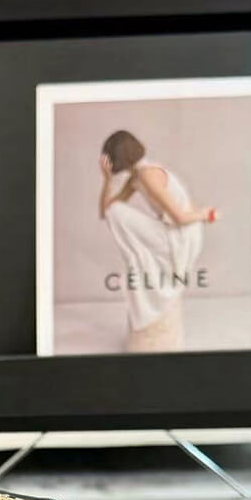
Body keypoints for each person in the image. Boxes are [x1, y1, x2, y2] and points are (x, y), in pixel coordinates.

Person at [98, 129, 217, 352]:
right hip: (171, 230)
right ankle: (142, 259)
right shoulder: (136, 177)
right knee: (115, 211)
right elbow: (106, 211)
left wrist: (204, 214)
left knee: (117, 212)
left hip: (182, 236)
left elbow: (180, 218)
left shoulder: (148, 175)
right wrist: (107, 181)